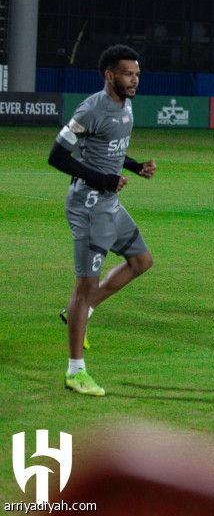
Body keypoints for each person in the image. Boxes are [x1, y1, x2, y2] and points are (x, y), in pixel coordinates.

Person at [48, 45, 157, 396]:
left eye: (137, 74)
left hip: (110, 202)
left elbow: (109, 149)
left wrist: (135, 166)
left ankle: (81, 310)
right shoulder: (92, 107)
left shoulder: (126, 107)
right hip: (89, 205)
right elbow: (57, 155)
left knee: (141, 261)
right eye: (128, 74)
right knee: (85, 286)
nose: (134, 80)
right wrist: (102, 180)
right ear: (110, 75)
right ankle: (75, 371)